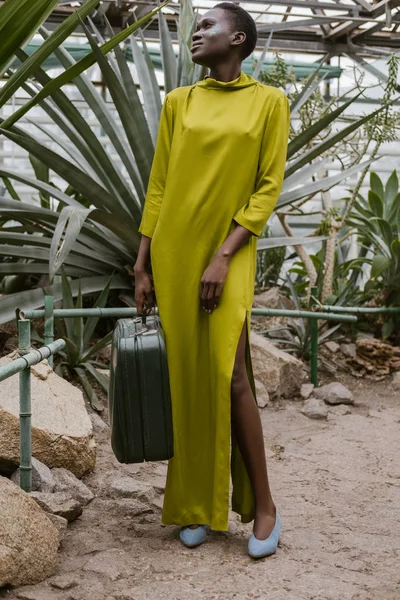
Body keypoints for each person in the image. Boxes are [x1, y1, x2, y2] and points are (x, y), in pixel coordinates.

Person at [133, 2, 290, 559]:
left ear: (239, 38)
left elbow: (268, 187)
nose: (196, 34)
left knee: (231, 374)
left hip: (229, 249)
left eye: (207, 27)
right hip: (175, 251)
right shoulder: (180, 103)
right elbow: (159, 184)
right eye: (196, 26)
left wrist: (224, 255)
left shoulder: (269, 102)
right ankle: (197, 504)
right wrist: (143, 261)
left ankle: (265, 507)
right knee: (186, 379)